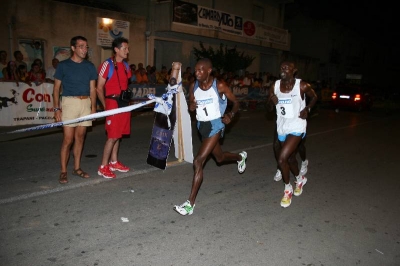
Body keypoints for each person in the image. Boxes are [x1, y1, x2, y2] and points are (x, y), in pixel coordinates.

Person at [174, 58, 247, 216]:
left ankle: (190, 204)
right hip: (202, 126)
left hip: (216, 124)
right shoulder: (194, 85)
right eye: (196, 70)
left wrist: (231, 114)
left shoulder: (219, 85)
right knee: (219, 158)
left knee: (198, 160)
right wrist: (192, 106)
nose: (197, 73)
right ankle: (240, 157)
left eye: (201, 70)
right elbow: (192, 102)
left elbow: (236, 102)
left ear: (209, 70)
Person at [267, 61, 317, 208]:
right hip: (282, 126)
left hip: (297, 125)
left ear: (294, 71)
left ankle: (287, 189)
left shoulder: (302, 85)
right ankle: (300, 178)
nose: (283, 68)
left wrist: (307, 108)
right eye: (282, 67)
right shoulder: (275, 86)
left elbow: (314, 97)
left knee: (282, 158)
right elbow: (269, 108)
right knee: (290, 159)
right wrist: (271, 101)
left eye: (287, 67)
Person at [53, 36, 98, 184]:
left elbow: (93, 89)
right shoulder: (63, 65)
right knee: (68, 139)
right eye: (81, 46)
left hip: (85, 102)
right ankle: (63, 171)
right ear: (73, 48)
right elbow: (56, 88)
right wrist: (57, 109)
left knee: (80, 138)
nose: (85, 49)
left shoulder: (90, 66)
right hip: (69, 102)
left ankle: (77, 168)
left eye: (86, 47)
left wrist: (93, 108)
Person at [96, 37, 132, 179]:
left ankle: (114, 162)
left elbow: (125, 83)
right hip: (112, 102)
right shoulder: (107, 64)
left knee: (119, 134)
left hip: (124, 102)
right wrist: (106, 107)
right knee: (112, 136)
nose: (127, 51)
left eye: (128, 48)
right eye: (124, 48)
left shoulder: (125, 66)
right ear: (116, 50)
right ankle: (103, 166)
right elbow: (99, 88)